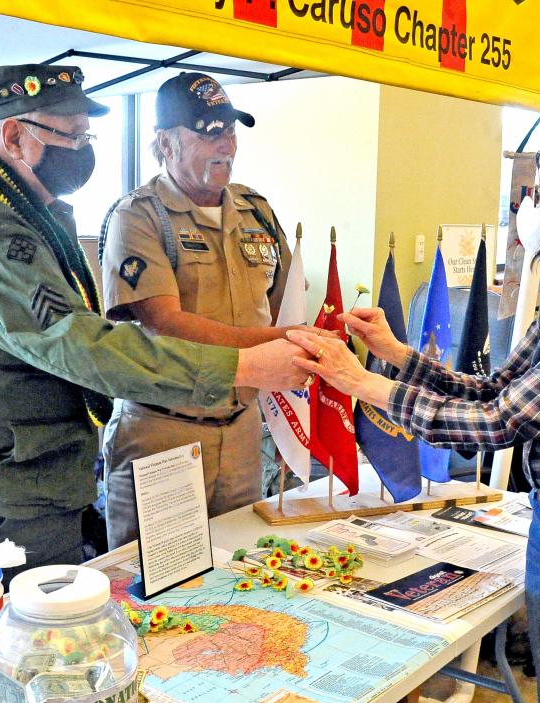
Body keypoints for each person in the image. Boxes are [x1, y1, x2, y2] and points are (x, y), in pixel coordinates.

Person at [289, 128, 540, 703]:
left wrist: (361, 383)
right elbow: (498, 389)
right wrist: (396, 355)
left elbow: (500, 424)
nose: (530, 211)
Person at [0, 63, 309, 574]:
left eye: (86, 134)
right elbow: (77, 342)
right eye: (70, 135)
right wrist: (243, 367)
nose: (82, 149)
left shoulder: (21, 205)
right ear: (13, 136)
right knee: (21, 640)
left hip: (23, 473)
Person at [99, 72, 317, 548]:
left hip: (241, 433)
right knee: (158, 591)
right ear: (165, 144)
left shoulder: (255, 210)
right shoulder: (138, 216)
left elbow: (286, 311)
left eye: (230, 130)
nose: (226, 146)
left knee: (237, 581)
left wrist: (306, 345)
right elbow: (168, 324)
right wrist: (278, 349)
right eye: (207, 132)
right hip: (165, 434)